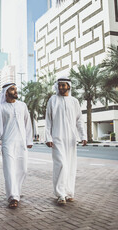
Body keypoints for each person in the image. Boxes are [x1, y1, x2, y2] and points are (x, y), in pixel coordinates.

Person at [45, 76, 87, 205]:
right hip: (57, 137)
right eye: (60, 85)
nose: (62, 87)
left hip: (71, 139)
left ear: (69, 86)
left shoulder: (74, 101)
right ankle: (60, 194)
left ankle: (69, 193)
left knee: (70, 165)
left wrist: (83, 136)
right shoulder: (53, 100)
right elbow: (48, 120)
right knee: (61, 164)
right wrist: (48, 137)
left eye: (64, 85)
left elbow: (79, 120)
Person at [0, 83, 33, 209]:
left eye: (15, 89)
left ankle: (17, 192)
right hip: (7, 143)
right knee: (10, 171)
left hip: (21, 143)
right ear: (6, 92)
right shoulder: (1, 108)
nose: (15, 91)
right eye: (12, 89)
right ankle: (13, 197)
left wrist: (29, 140)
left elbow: (28, 123)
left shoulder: (22, 105)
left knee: (23, 170)